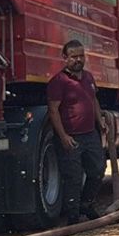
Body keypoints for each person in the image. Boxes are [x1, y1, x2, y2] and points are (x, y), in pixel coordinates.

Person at [47, 39, 107, 224]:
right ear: (65, 58)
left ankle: (86, 204)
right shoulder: (58, 82)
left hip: (90, 134)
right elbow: (53, 110)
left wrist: (100, 121)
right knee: (73, 177)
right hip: (71, 137)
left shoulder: (88, 77)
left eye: (81, 56)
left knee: (98, 169)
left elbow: (94, 100)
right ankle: (72, 215)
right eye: (74, 57)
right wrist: (63, 136)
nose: (78, 60)